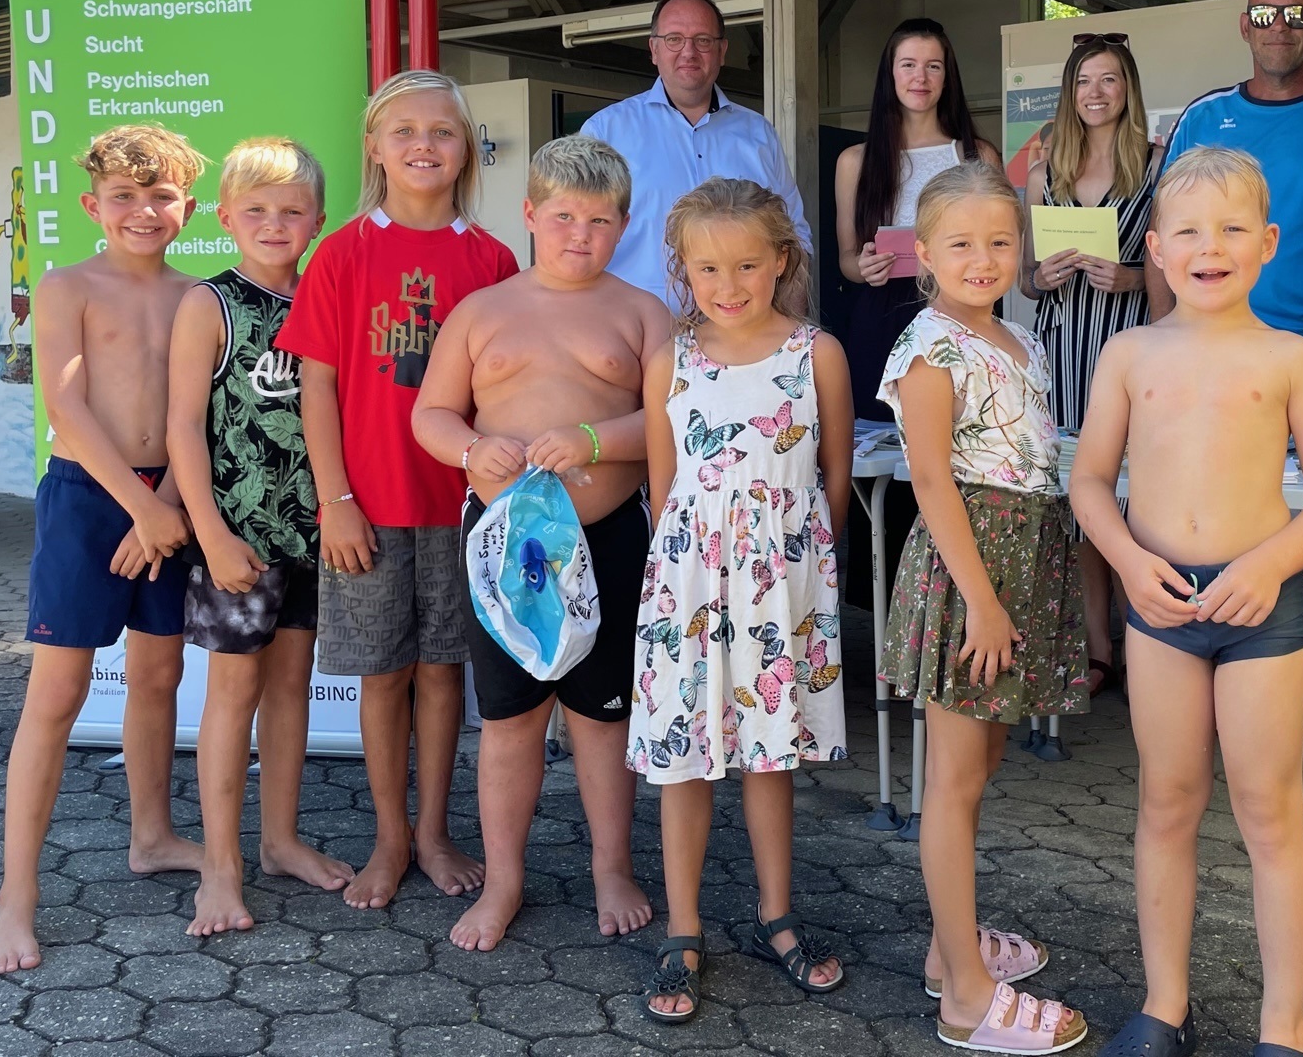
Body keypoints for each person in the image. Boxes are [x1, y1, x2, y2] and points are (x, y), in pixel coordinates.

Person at [1073, 147, 1303, 1057]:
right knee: (1167, 802)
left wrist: (1272, 565)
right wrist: (1124, 560)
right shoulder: (1127, 353)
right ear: (1154, 248)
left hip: (1258, 611)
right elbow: (1087, 482)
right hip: (1158, 607)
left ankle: (1286, 1026)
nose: (1212, 247)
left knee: (1270, 810)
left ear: (1269, 243)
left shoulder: (1288, 359)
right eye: (1190, 231)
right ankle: (1165, 1006)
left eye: (1234, 229)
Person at [411, 135, 674, 951]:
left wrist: (598, 439)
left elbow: (669, 421)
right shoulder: (483, 310)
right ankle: (507, 879)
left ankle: (610, 866)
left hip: (607, 536)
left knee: (602, 720)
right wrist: (466, 450)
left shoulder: (642, 311)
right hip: (505, 546)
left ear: (623, 225)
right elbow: (431, 413)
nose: (578, 235)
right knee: (511, 720)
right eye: (562, 217)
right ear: (529, 215)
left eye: (598, 220)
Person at [279, 70, 519, 909]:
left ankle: (435, 833)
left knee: (445, 670)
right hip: (368, 508)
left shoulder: (491, 259)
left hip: (460, 506)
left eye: (443, 132)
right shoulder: (342, 253)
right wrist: (335, 499)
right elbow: (316, 387)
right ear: (375, 147)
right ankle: (387, 835)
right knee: (382, 674)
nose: (424, 145)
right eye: (405, 131)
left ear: (466, 150)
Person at [0, 125, 207, 973]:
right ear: (91, 206)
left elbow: (200, 415)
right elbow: (66, 411)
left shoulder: (197, 295)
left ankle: (151, 835)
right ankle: (16, 897)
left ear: (189, 207)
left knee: (158, 675)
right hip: (90, 499)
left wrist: (169, 505)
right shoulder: (68, 284)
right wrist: (139, 508)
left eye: (161, 197)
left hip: (167, 498)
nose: (143, 211)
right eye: (124, 197)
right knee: (59, 691)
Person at [1147, 0, 1303, 764]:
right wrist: (1164, 331)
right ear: (1245, 25)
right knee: (1206, 517)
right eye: (1264, 13)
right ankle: (1199, 682)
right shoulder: (1206, 117)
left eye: (1296, 14)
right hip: (1208, 359)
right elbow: (1168, 226)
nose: (1279, 25)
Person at [881, 161, 1090, 1055]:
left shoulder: (1020, 338)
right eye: (960, 244)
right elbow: (931, 480)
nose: (982, 258)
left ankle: (947, 946)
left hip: (1022, 562)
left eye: (1000, 242)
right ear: (924, 253)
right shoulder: (930, 347)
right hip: (973, 574)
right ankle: (965, 995)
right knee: (953, 786)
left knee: (984, 760)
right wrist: (983, 603)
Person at [632, 178, 851, 1024]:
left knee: (770, 752)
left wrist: (796, 567)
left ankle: (776, 915)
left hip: (780, 583)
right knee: (684, 756)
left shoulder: (815, 352)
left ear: (782, 261)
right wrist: (683, 574)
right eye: (709, 268)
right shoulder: (671, 358)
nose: (729, 285)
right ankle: (682, 930)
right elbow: (664, 484)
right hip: (688, 579)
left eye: (748, 265)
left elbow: (832, 474)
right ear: (684, 271)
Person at [167, 137, 354, 937]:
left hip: (312, 535)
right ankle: (220, 864)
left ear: (317, 219)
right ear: (226, 217)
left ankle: (279, 840)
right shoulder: (210, 304)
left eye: (291, 211)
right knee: (232, 695)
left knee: (290, 687)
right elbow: (181, 427)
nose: (274, 224)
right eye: (256, 211)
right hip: (238, 539)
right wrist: (208, 534)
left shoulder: (327, 298)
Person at [834, 18, 1002, 604]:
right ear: (890, 75)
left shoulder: (975, 154)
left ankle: (960, 595)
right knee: (888, 466)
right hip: (881, 318)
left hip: (958, 315)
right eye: (908, 64)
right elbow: (848, 260)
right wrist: (866, 266)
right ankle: (886, 610)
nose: (920, 77)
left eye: (933, 65)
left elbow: (998, 245)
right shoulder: (857, 159)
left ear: (947, 75)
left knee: (960, 455)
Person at [1021, 31, 1162, 697]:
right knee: (1083, 499)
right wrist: (1040, 275)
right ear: (1069, 93)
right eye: (1084, 82)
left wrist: (1132, 278)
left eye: (1108, 80)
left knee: (1137, 498)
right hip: (1063, 345)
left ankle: (1150, 640)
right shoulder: (1045, 171)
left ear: (1128, 88)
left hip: (1130, 342)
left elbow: (1170, 270)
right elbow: (1022, 280)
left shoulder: (1159, 164)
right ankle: (1100, 648)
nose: (1096, 93)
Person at [581, 0, 812, 306]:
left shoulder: (758, 133)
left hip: (743, 333)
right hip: (640, 333)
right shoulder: (605, 133)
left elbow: (794, 235)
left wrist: (788, 329)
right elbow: (581, 239)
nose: (688, 52)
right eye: (674, 38)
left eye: (703, 40)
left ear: (721, 51)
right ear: (654, 49)